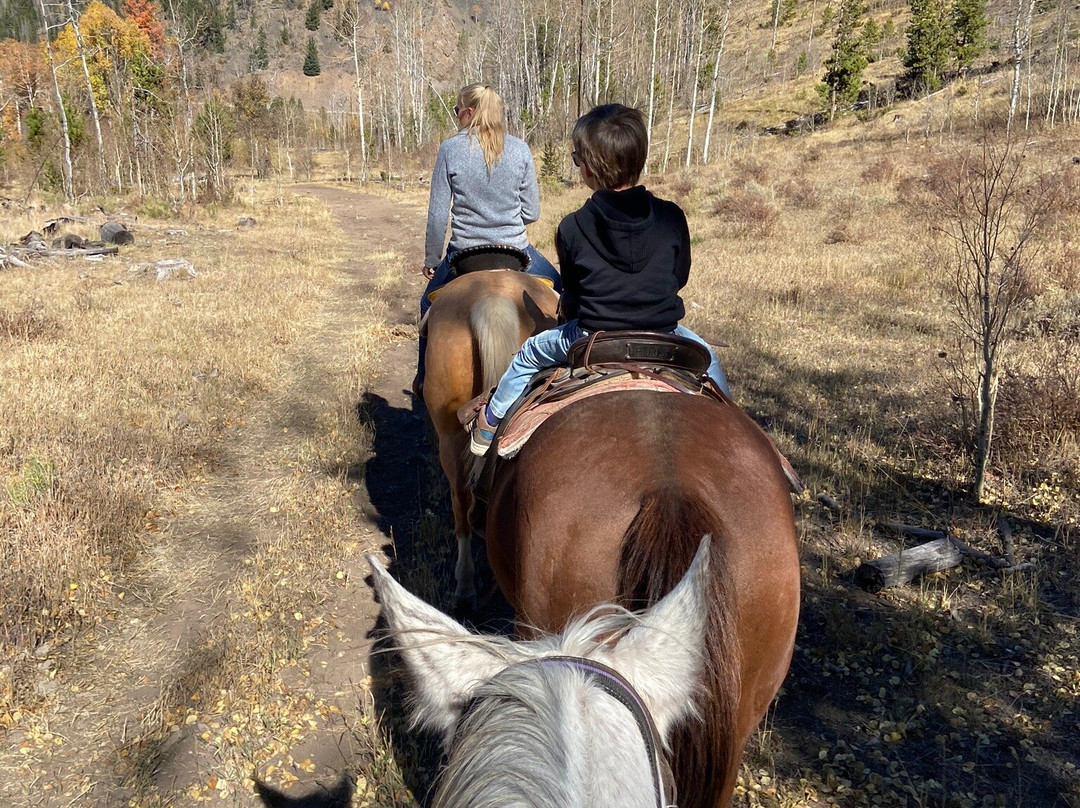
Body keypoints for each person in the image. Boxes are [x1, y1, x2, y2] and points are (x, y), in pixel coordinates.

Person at [470, 103, 731, 456]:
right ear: (639, 159)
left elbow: (573, 294)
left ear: (588, 169)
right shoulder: (671, 216)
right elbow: (679, 277)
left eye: (577, 159)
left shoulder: (573, 225)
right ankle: (730, 429)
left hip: (593, 339)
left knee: (529, 354)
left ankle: (489, 425)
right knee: (709, 359)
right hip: (664, 336)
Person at [413, 83, 560, 397]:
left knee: (427, 303)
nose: (456, 117)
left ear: (468, 112)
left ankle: (423, 378)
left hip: (464, 253)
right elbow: (532, 212)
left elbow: (438, 215)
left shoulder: (450, 149)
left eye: (456, 111)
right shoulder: (520, 149)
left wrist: (431, 259)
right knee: (562, 295)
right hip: (517, 252)